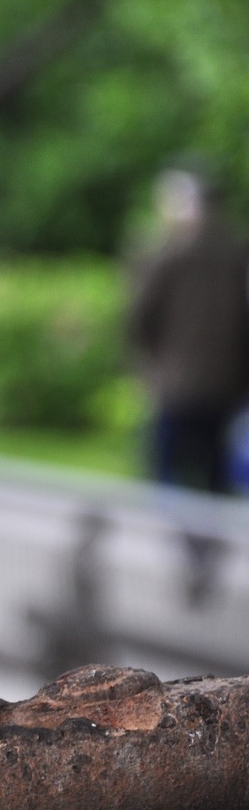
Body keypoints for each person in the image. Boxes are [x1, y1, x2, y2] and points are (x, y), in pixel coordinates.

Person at [127, 166, 249, 605]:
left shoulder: (167, 251)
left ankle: (192, 549)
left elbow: (140, 315)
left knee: (165, 471)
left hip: (176, 385)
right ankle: (207, 549)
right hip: (226, 386)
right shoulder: (236, 251)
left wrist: (147, 366)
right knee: (214, 476)